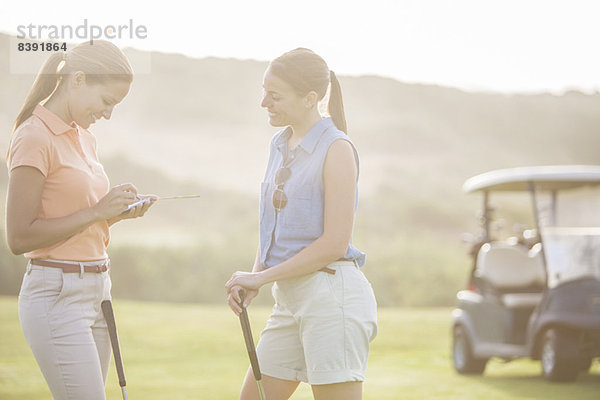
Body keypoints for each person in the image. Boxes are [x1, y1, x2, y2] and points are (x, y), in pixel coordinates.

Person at [5, 40, 156, 400]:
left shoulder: (84, 137)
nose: (108, 114)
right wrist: (96, 211)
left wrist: (114, 214)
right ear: (78, 79)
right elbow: (19, 237)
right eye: (107, 101)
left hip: (97, 292)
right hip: (57, 295)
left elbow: (77, 221)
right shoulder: (33, 136)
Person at [225, 48, 378, 400]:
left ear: (310, 99)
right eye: (264, 91)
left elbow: (334, 244)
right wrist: (256, 275)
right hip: (290, 298)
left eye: (274, 95)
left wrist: (261, 277)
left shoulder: (336, 148)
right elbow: (275, 229)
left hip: (332, 298)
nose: (264, 102)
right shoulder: (279, 145)